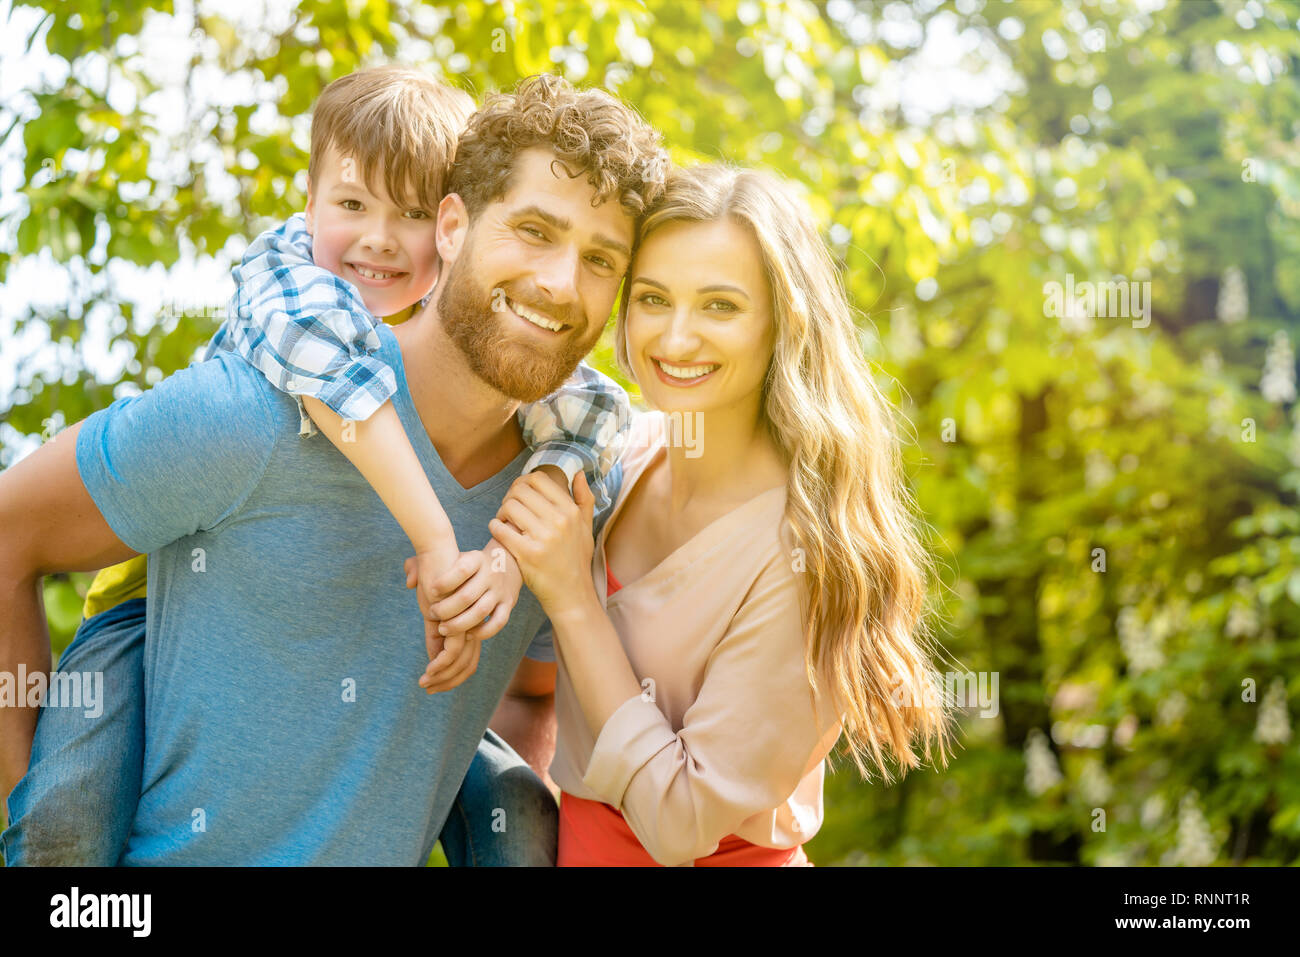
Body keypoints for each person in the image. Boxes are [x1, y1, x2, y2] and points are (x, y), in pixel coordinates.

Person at [0, 74, 668, 865]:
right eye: (532, 229)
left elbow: (528, 691)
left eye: (600, 259)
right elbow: (10, 533)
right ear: (453, 226)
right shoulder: (251, 414)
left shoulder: (572, 502)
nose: (561, 283)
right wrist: (42, 812)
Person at [484, 164, 955, 866]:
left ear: (783, 322)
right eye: (652, 298)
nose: (675, 339)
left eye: (719, 306)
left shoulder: (803, 550)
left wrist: (575, 600)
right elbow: (536, 688)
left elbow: (679, 825)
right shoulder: (623, 454)